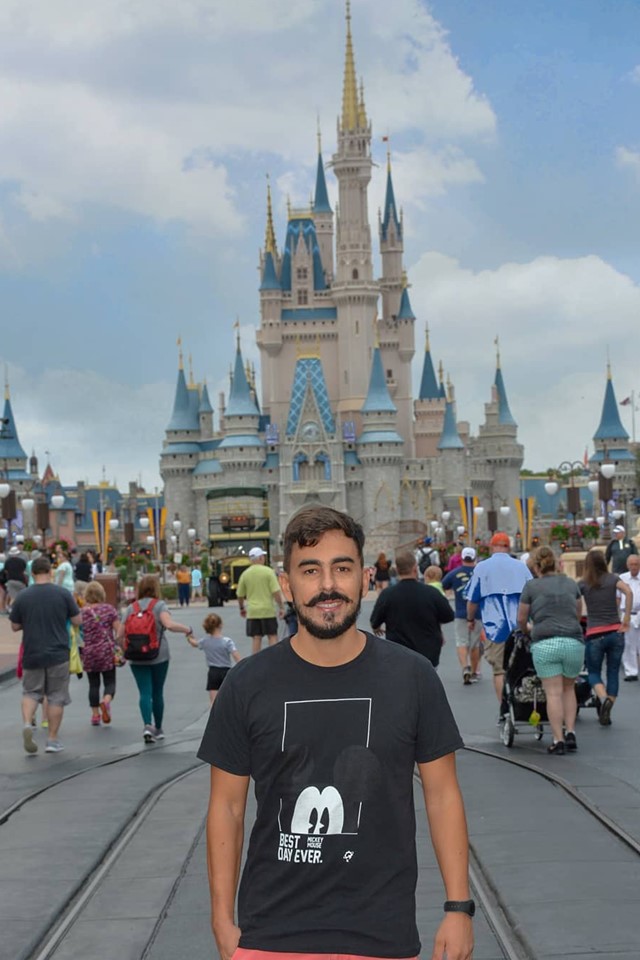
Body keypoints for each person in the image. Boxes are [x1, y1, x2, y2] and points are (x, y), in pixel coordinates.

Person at [198, 506, 474, 960]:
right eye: (311, 570)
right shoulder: (246, 683)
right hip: (270, 936)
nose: (328, 585)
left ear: (365, 578)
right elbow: (225, 806)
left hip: (381, 936)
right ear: (286, 585)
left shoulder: (412, 677)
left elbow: (443, 795)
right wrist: (222, 920)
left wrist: (458, 908)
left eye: (341, 568)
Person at [516, 546, 585, 754]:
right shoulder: (571, 584)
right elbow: (577, 613)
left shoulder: (531, 587)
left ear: (536, 566)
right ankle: (571, 731)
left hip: (545, 642)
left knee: (553, 693)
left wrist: (528, 629)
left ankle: (558, 739)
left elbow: (521, 618)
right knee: (568, 689)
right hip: (573, 641)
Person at [10, 556, 81, 754]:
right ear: (50, 571)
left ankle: (26, 723)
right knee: (56, 696)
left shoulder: (23, 596)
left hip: (32, 652)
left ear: (32, 574)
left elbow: (15, 626)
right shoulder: (63, 594)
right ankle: (52, 740)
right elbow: (77, 620)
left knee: (30, 692)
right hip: (58, 652)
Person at [122, 575, 195, 742]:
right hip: (158, 654)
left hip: (135, 656)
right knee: (157, 691)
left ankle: (148, 725)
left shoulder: (131, 608)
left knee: (144, 692)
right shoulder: (159, 605)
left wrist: (125, 650)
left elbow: (120, 634)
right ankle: (159, 728)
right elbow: (169, 624)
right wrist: (187, 629)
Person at [465, 531, 532, 710]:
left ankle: (504, 708)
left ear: (491, 547)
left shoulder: (482, 567)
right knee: (523, 667)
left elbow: (472, 600)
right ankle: (521, 704)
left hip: (495, 629)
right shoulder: (521, 567)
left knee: (499, 670)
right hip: (520, 626)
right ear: (508, 547)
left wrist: (470, 619)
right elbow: (534, 593)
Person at [370, 549, 454, 667]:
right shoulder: (431, 593)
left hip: (399, 653)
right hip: (427, 654)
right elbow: (448, 615)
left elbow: (375, 620)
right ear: (415, 568)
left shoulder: (387, 594)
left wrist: (376, 627)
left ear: (397, 570)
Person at [579, 549, 632, 726]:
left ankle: (603, 699)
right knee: (613, 671)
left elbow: (573, 599)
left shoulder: (584, 583)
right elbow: (628, 592)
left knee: (593, 672)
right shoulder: (613, 579)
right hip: (615, 632)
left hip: (594, 633)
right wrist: (625, 618)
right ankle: (609, 703)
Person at [80, 581, 121, 726]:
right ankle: (106, 700)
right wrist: (117, 643)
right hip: (106, 651)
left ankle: (95, 715)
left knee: (93, 684)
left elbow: (78, 633)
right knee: (110, 682)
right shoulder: (109, 609)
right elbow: (119, 629)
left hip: (89, 652)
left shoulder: (82, 612)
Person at [442, 547, 483, 685]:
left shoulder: (454, 573)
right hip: (478, 613)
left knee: (461, 641)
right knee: (475, 643)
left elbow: (444, 584)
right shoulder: (481, 573)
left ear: (462, 558)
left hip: (460, 612)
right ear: (474, 557)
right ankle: (474, 671)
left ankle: (465, 667)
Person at [236, 547, 285, 655]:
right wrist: (281, 607)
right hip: (268, 610)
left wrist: (242, 608)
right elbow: (276, 592)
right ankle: (275, 660)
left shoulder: (245, 574)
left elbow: (240, 595)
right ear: (260, 558)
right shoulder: (268, 572)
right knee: (272, 635)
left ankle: (255, 663)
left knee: (256, 637)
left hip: (253, 611)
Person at [187, 612, 242, 703]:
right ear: (220, 625)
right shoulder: (227, 641)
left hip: (213, 672)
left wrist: (189, 637)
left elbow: (195, 643)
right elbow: (236, 656)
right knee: (228, 698)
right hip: (226, 671)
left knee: (214, 700)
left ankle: (214, 716)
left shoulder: (205, 641)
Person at [619, 554, 640, 681]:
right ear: (627, 565)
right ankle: (631, 672)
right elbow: (617, 597)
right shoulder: (622, 578)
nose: (633, 567)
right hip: (627, 614)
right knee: (628, 644)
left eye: (636, 564)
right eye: (631, 564)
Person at [4, 545, 28, 610]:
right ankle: (22, 609)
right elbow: (24, 570)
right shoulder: (22, 561)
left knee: (13, 597)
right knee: (22, 595)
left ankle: (10, 608)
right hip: (20, 580)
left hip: (11, 580)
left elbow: (6, 571)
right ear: (17, 553)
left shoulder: (7, 562)